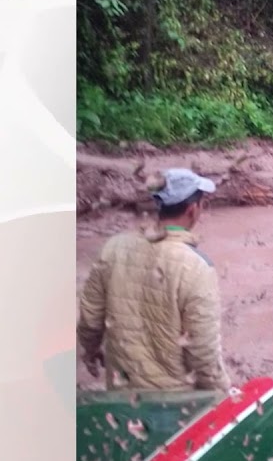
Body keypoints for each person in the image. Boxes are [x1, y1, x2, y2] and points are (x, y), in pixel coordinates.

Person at [78, 168, 232, 392]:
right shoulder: (197, 267)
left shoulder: (114, 248)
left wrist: (90, 351)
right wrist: (223, 392)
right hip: (176, 401)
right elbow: (203, 352)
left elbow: (90, 319)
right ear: (193, 210)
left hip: (123, 396)